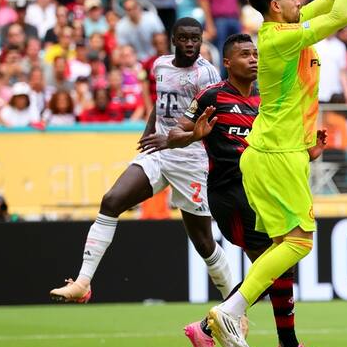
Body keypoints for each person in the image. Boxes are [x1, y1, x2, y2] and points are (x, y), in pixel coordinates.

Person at [200, 0, 347, 347]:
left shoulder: (286, 27)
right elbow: (343, 15)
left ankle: (237, 324)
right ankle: (230, 311)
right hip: (277, 154)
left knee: (283, 246)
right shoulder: (281, 38)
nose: (299, 0)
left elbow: (330, 1)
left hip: (272, 152)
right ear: (276, 5)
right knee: (300, 243)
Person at [165, 33, 328, 347]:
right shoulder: (211, 96)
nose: (253, 59)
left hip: (264, 191)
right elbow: (173, 135)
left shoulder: (267, 101)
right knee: (278, 262)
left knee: (279, 265)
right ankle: (270, 342)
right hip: (231, 194)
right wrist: (194, 135)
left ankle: (282, 345)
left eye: (255, 54)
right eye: (244, 55)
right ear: (227, 62)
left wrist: (309, 152)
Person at [49, 18, 234, 304]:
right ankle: (83, 282)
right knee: (111, 201)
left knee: (204, 243)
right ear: (173, 40)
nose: (189, 44)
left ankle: (233, 304)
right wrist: (150, 131)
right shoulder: (160, 65)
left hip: (191, 160)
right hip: (158, 152)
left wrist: (169, 139)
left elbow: (207, 126)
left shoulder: (206, 74)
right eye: (184, 38)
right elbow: (161, 104)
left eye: (195, 39)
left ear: (201, 40)